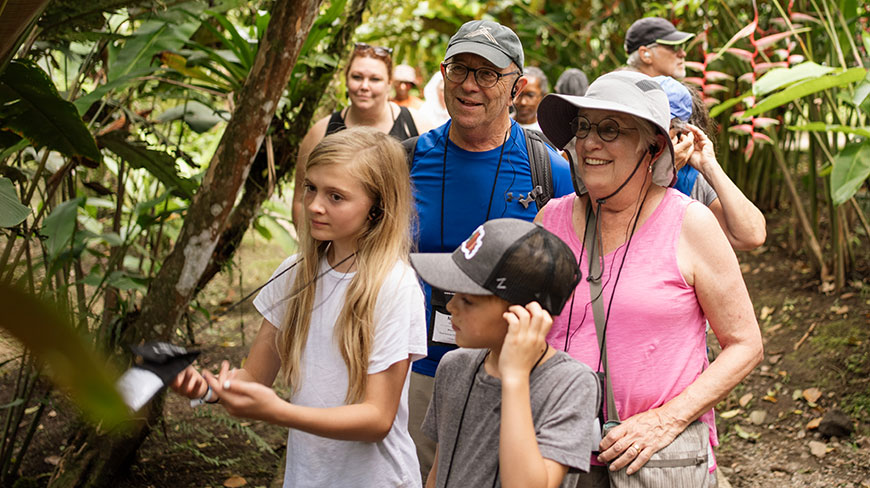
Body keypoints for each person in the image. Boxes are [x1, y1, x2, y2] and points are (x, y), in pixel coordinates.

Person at [535, 71, 763, 485]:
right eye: (583, 127)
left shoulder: (689, 223)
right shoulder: (550, 219)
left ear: (652, 147)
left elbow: (745, 345)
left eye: (609, 129)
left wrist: (665, 420)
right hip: (557, 454)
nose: (589, 143)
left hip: (654, 458)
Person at [172, 127, 428, 488]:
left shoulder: (394, 286)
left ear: (378, 207)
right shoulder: (293, 273)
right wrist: (206, 387)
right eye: (311, 188)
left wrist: (280, 412)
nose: (314, 206)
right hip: (308, 476)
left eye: (336, 196)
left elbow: (377, 419)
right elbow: (254, 377)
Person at [405, 19, 576, 483]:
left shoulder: (548, 169)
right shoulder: (405, 159)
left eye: (487, 74)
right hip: (415, 365)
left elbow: (568, 271)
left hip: (509, 369)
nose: (469, 85)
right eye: (459, 69)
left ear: (516, 85)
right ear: (443, 73)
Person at [411, 218, 600, 488]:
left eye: (468, 300)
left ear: (523, 314)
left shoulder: (572, 384)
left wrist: (515, 377)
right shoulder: (453, 365)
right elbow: (438, 473)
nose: (450, 306)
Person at [292, 43, 433, 226]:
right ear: (347, 79)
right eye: (357, 77)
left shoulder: (417, 125)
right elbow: (300, 199)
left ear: (389, 82)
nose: (364, 86)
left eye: (375, 79)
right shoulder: (321, 131)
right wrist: (312, 250)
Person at [655, 75, 766, 250]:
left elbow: (751, 235)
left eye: (657, 127)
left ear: (682, 134)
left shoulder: (690, 178)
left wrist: (710, 166)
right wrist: (659, 175)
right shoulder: (616, 169)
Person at [624, 17, 695, 79]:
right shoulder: (627, 92)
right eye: (673, 47)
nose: (683, 54)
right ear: (645, 54)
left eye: (681, 46)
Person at [513, 66, 548, 131]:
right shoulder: (499, 126)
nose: (523, 102)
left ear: (543, 96)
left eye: (530, 95)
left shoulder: (548, 132)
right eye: (518, 93)